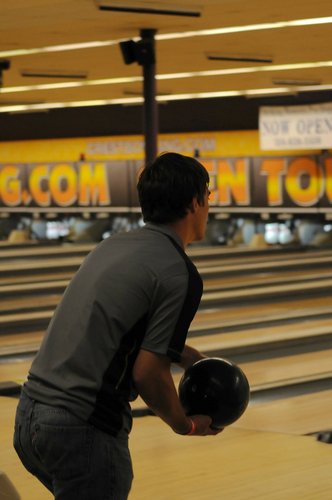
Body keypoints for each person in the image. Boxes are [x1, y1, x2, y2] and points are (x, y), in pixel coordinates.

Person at [13, 152, 223, 500]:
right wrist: (184, 425)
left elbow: (114, 325)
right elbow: (148, 373)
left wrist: (184, 355)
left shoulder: (111, 246)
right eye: (209, 197)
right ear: (195, 201)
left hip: (29, 416)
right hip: (83, 426)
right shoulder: (179, 272)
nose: (208, 207)